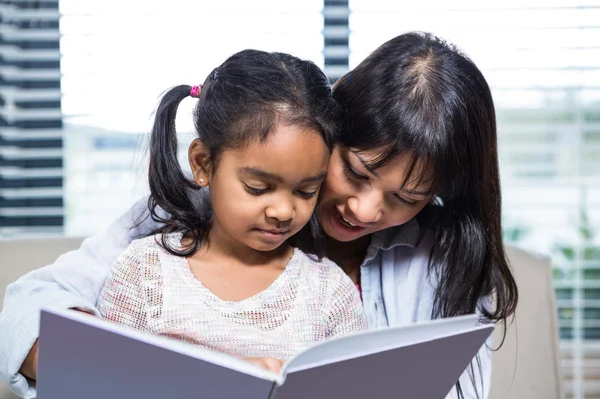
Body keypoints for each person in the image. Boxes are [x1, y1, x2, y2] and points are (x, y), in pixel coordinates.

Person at [0, 32, 518, 399]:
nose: (365, 208)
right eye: (356, 172)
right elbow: (31, 306)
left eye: (407, 197)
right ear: (330, 128)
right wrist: (140, 370)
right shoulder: (179, 227)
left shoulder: (444, 262)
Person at [96, 49, 367, 372]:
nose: (283, 210)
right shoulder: (145, 273)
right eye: (258, 188)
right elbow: (104, 381)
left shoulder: (329, 294)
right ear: (203, 164)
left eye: (306, 191)